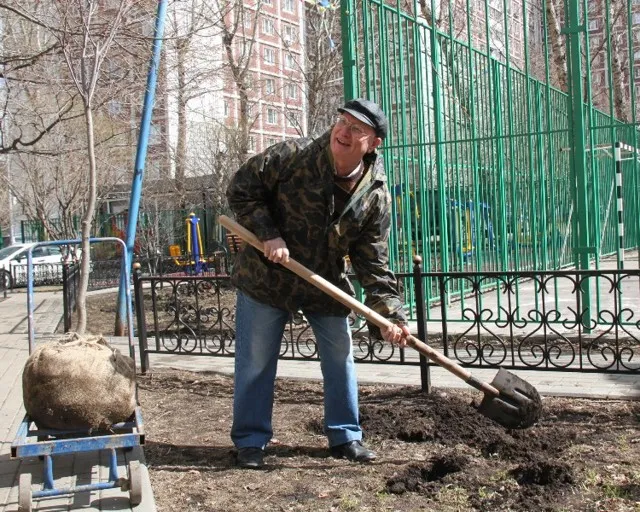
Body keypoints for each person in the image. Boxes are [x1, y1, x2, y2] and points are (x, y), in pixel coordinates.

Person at [226, 98, 410, 469]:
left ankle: (345, 437)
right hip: (268, 275)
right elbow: (241, 189)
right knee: (256, 361)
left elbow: (372, 260)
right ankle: (250, 440)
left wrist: (389, 314)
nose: (343, 131)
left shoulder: (375, 194)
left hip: (324, 282)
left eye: (357, 128)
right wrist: (269, 234)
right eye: (342, 121)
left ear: (374, 143)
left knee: (340, 357)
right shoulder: (293, 156)